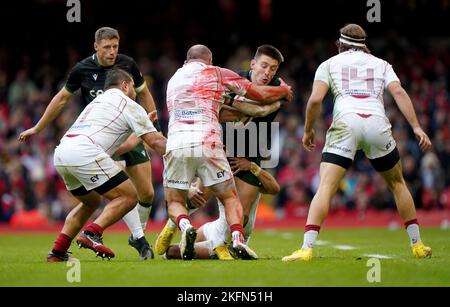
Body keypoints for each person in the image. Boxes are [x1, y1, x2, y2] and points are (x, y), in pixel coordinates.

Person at [282, 24, 432, 262]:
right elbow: (400, 93)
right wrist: (416, 127)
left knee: (326, 187)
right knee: (397, 183)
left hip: (346, 124)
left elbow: (315, 101)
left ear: (339, 45)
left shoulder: (329, 64)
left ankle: (306, 248)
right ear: (364, 44)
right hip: (376, 123)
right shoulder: (382, 64)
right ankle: (418, 245)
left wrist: (309, 131)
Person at [18, 27, 158, 259]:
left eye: (115, 47)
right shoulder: (82, 69)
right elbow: (61, 98)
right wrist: (38, 127)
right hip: (101, 140)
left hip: (129, 130)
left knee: (146, 194)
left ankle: (60, 251)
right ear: (96, 47)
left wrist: (152, 127)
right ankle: (136, 239)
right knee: (125, 192)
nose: (112, 52)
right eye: (107, 48)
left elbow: (144, 93)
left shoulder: (127, 65)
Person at [155, 45, 286, 259]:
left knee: (237, 214)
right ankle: (176, 226)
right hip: (220, 140)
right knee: (205, 195)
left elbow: (251, 113)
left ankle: (193, 237)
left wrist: (251, 165)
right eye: (264, 66)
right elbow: (250, 106)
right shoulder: (228, 77)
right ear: (253, 65)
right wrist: (281, 94)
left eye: (273, 68)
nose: (268, 73)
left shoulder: (175, 79)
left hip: (250, 148)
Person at [42, 68, 166, 261]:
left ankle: (58, 252)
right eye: (133, 86)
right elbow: (157, 143)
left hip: (62, 153)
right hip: (84, 153)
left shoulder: (96, 104)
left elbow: (114, 149)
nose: (135, 91)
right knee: (129, 196)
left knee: (91, 201)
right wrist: (186, 148)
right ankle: (92, 233)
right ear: (125, 85)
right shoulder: (128, 103)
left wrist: (139, 132)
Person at [162, 157, 280, 260]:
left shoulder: (252, 176)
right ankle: (174, 224)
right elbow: (201, 192)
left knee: (172, 251)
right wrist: (189, 190)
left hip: (228, 241)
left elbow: (274, 188)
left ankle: (174, 230)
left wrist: (253, 167)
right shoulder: (220, 173)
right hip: (215, 228)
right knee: (177, 248)